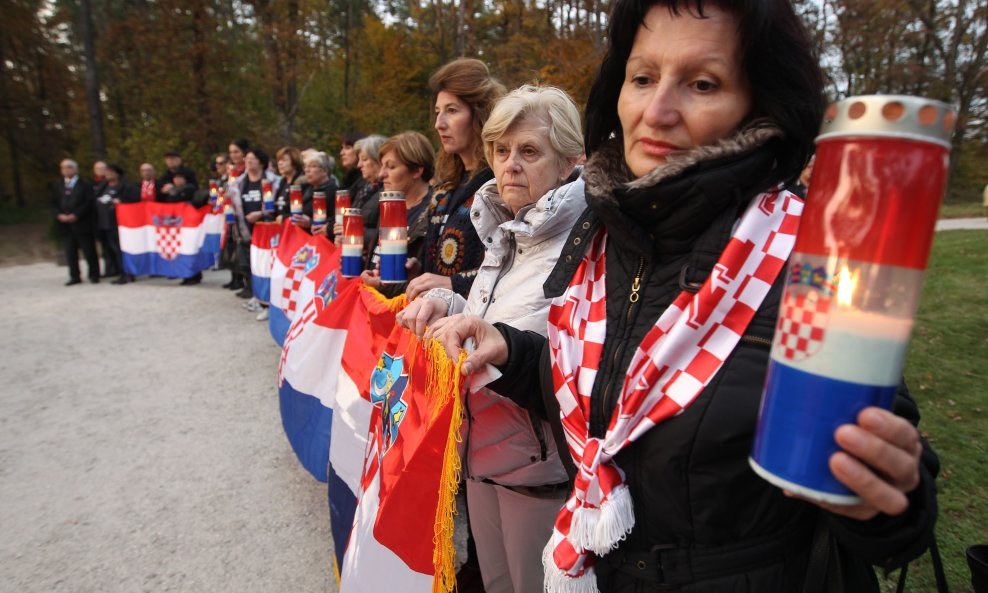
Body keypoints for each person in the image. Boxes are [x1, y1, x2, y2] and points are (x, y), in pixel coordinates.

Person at [426, 2, 939, 592]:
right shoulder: (601, 237)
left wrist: (888, 500)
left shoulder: (806, 252)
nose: (658, 110)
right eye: (642, 78)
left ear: (759, 100)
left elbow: (889, 499)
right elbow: (605, 393)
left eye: (702, 83)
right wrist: (511, 353)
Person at [398, 85, 586, 593]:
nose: (510, 165)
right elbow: (496, 319)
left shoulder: (586, 242)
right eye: (501, 151)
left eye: (529, 151)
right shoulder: (505, 230)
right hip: (479, 455)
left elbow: (567, 356)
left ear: (571, 161)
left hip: (540, 472)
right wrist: (451, 306)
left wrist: (483, 331)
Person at [406, 58, 506, 301]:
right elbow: (439, 267)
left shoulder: (501, 185)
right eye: (438, 112)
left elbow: (514, 271)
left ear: (480, 115)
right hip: (434, 328)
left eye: (452, 111)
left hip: (478, 330)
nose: (439, 124)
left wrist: (452, 283)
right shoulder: (446, 187)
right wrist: (419, 274)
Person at [355, 131, 435, 297]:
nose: (381, 174)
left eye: (391, 167)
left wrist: (384, 286)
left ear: (417, 171)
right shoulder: (390, 206)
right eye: (382, 166)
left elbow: (426, 282)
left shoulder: (434, 213)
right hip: (374, 305)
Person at [237, 147, 280, 303]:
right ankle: (251, 290)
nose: (248, 161)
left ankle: (265, 295)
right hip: (245, 225)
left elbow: (276, 204)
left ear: (261, 162)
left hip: (266, 226)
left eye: (252, 158)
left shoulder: (273, 181)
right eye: (246, 158)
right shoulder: (239, 182)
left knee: (264, 262)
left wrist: (262, 214)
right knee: (247, 260)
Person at [52, 159, 100, 285]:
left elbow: (89, 202)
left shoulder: (85, 184)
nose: (66, 170)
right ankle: (74, 276)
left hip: (82, 223)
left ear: (76, 169)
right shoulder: (58, 185)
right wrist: (59, 215)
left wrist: (76, 214)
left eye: (69, 167)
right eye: (63, 168)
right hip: (65, 225)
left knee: (89, 250)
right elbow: (53, 203)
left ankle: (94, 274)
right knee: (70, 252)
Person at [94, 164, 138, 283]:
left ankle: (127, 273)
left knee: (120, 249)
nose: (107, 174)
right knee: (111, 249)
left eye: (110, 172)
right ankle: (116, 270)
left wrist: (122, 201)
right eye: (106, 172)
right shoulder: (103, 186)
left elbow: (135, 199)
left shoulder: (125, 186)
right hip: (104, 223)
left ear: (117, 174)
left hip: (119, 223)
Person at [295, 151, 338, 234]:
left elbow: (337, 220)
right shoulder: (304, 189)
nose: (307, 170)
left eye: (313, 166)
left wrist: (311, 222)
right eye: (306, 167)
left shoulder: (334, 192)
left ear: (325, 170)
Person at [273, 146, 305, 221]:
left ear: (294, 162)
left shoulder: (302, 183)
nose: (280, 163)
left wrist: (285, 217)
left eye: (284, 160)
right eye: (279, 160)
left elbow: (304, 209)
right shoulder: (282, 182)